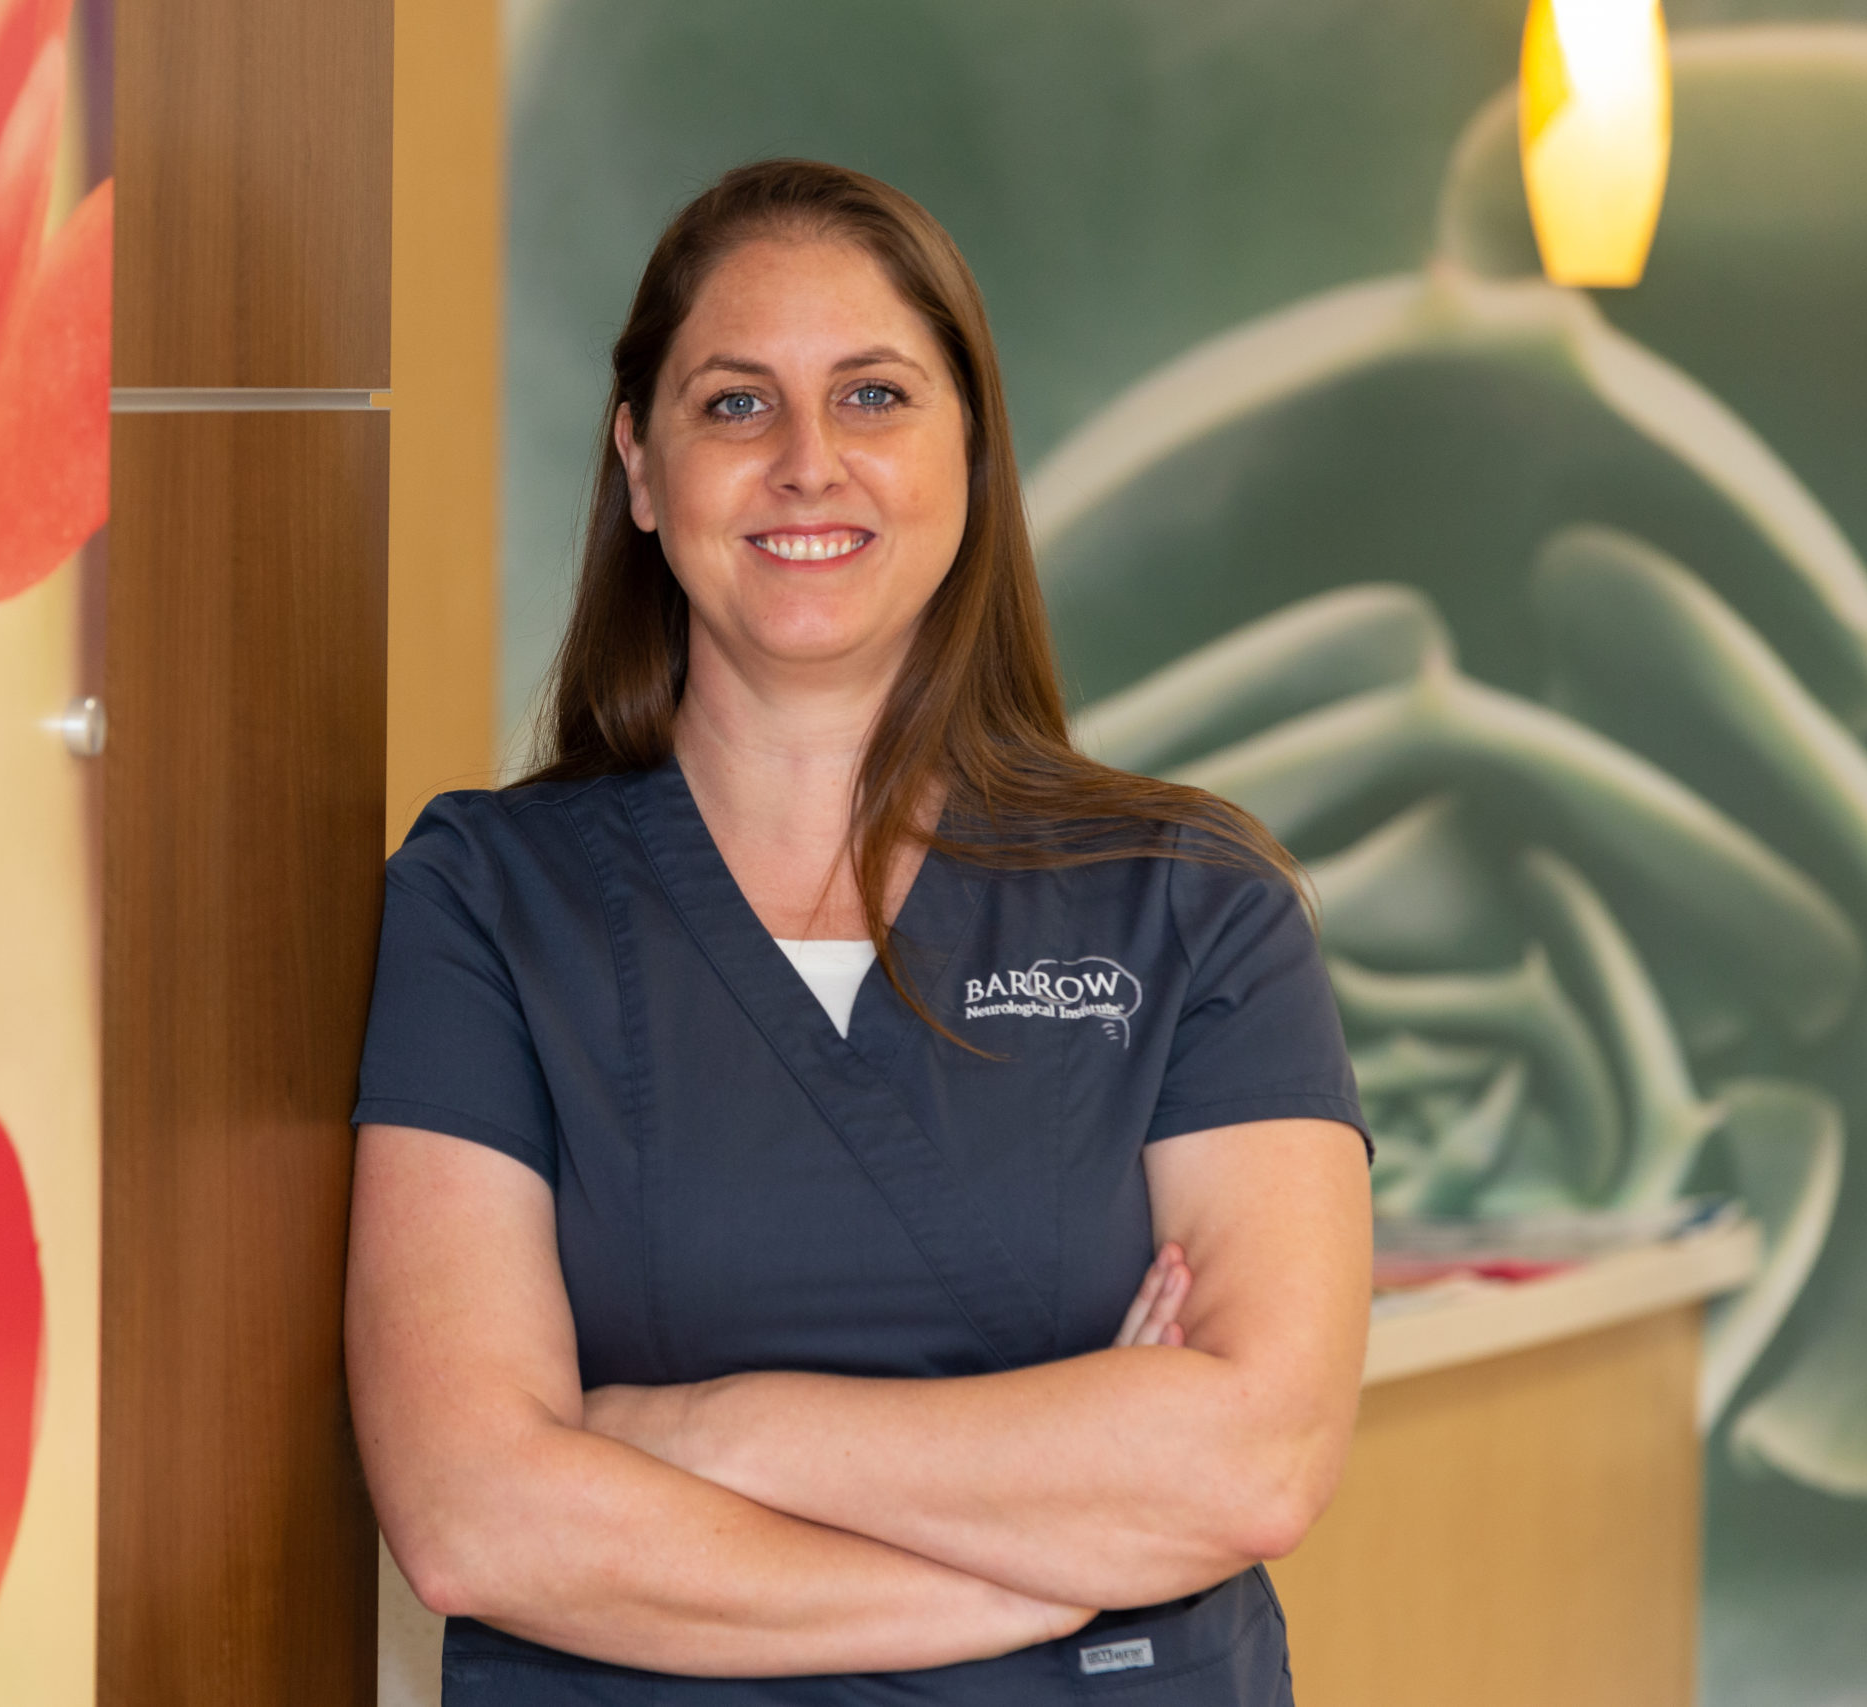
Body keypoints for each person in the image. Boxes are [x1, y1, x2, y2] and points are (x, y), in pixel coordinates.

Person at [346, 159, 1372, 1705]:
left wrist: (696, 1431)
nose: (809, 462)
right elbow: (478, 1518)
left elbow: (1255, 1464)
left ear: (970, 451)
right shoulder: (485, 905)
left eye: (878, 396)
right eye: (736, 406)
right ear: (641, 466)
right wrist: (1054, 1570)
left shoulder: (1195, 905)